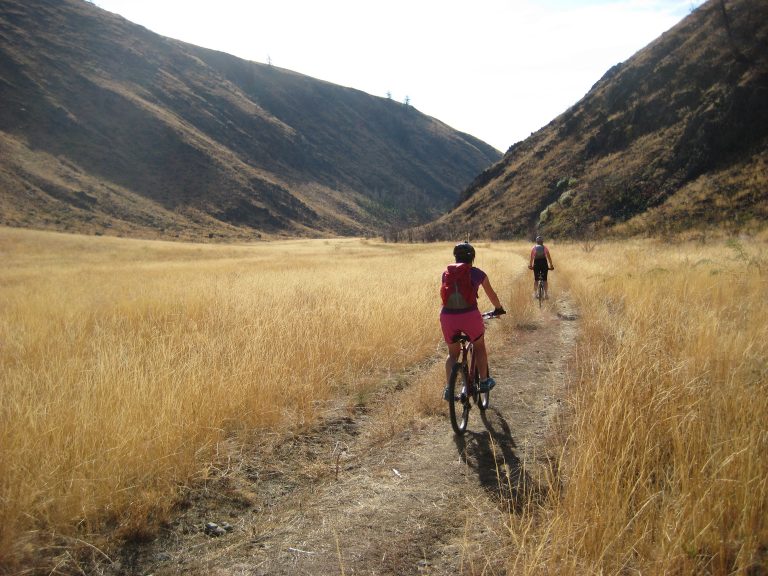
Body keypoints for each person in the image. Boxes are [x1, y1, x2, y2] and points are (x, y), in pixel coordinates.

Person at [439, 242, 505, 400]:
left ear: (455, 257)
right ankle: (483, 381)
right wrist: (498, 308)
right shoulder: (478, 273)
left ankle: (449, 389)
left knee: (452, 353)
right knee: (479, 345)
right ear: (473, 258)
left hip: (447, 316)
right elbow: (492, 295)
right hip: (469, 315)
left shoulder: (446, 273)